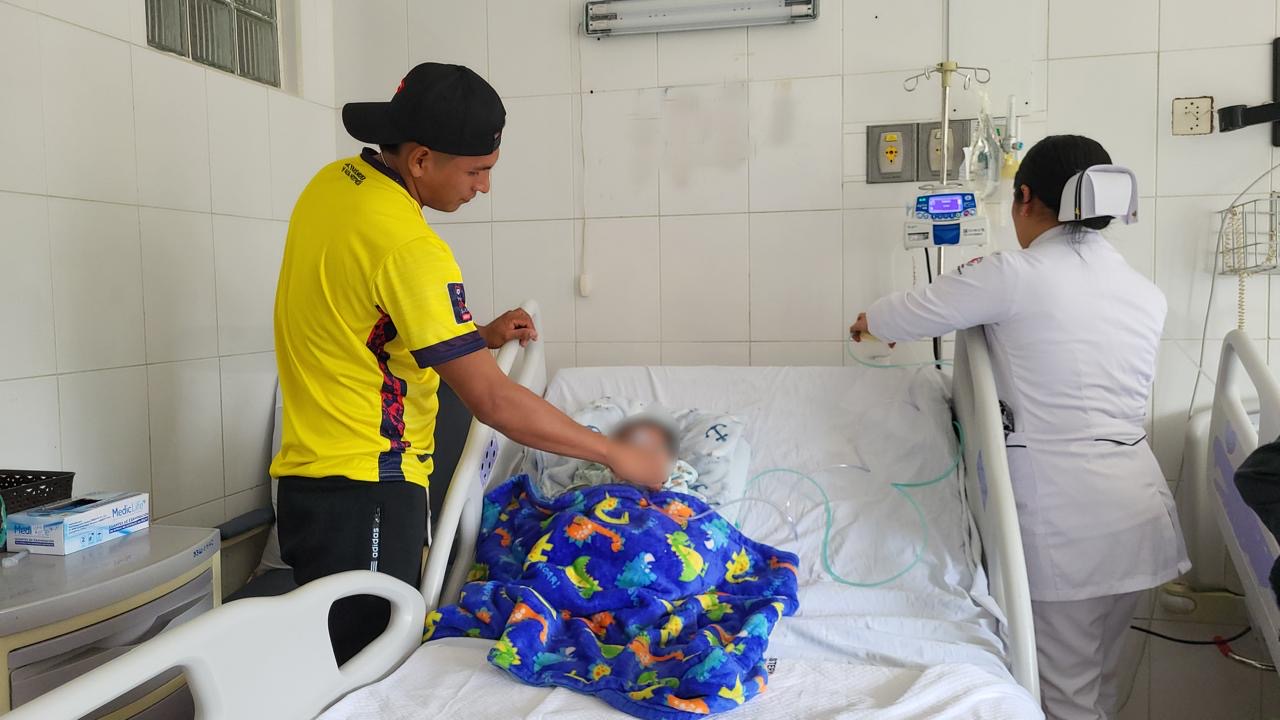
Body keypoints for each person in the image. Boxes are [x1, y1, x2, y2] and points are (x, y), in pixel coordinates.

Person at [270, 63, 668, 664]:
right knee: (367, 672)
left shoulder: (335, 184)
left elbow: (358, 317)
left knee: (334, 660)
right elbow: (494, 400)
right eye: (477, 171)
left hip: (308, 482)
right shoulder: (411, 248)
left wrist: (473, 336)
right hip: (368, 488)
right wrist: (615, 453)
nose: (483, 188)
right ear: (421, 160)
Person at [850, 135, 1190, 720]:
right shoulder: (1143, 291)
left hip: (1068, 523)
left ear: (1025, 197)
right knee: (1101, 687)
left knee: (1062, 699)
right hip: (1138, 516)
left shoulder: (1014, 275)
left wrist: (867, 324)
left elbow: (899, 316)